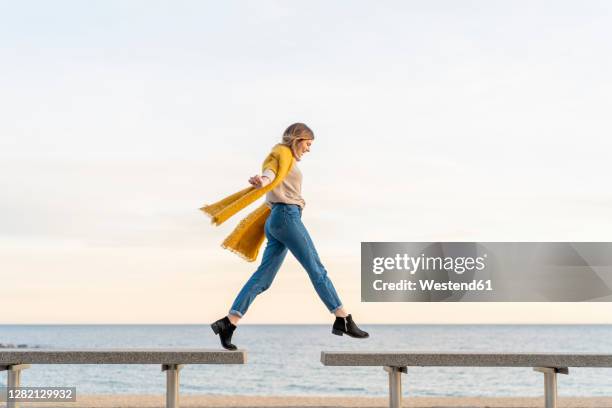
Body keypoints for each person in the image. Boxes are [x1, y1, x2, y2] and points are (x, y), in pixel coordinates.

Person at [209, 123, 369, 350]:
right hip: (286, 217)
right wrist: (261, 181)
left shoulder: (285, 158)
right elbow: (269, 173)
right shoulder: (281, 153)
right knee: (316, 268)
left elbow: (273, 173)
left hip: (277, 220)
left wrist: (265, 181)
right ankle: (342, 317)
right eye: (308, 143)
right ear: (297, 139)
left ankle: (229, 323)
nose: (309, 149)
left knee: (263, 279)